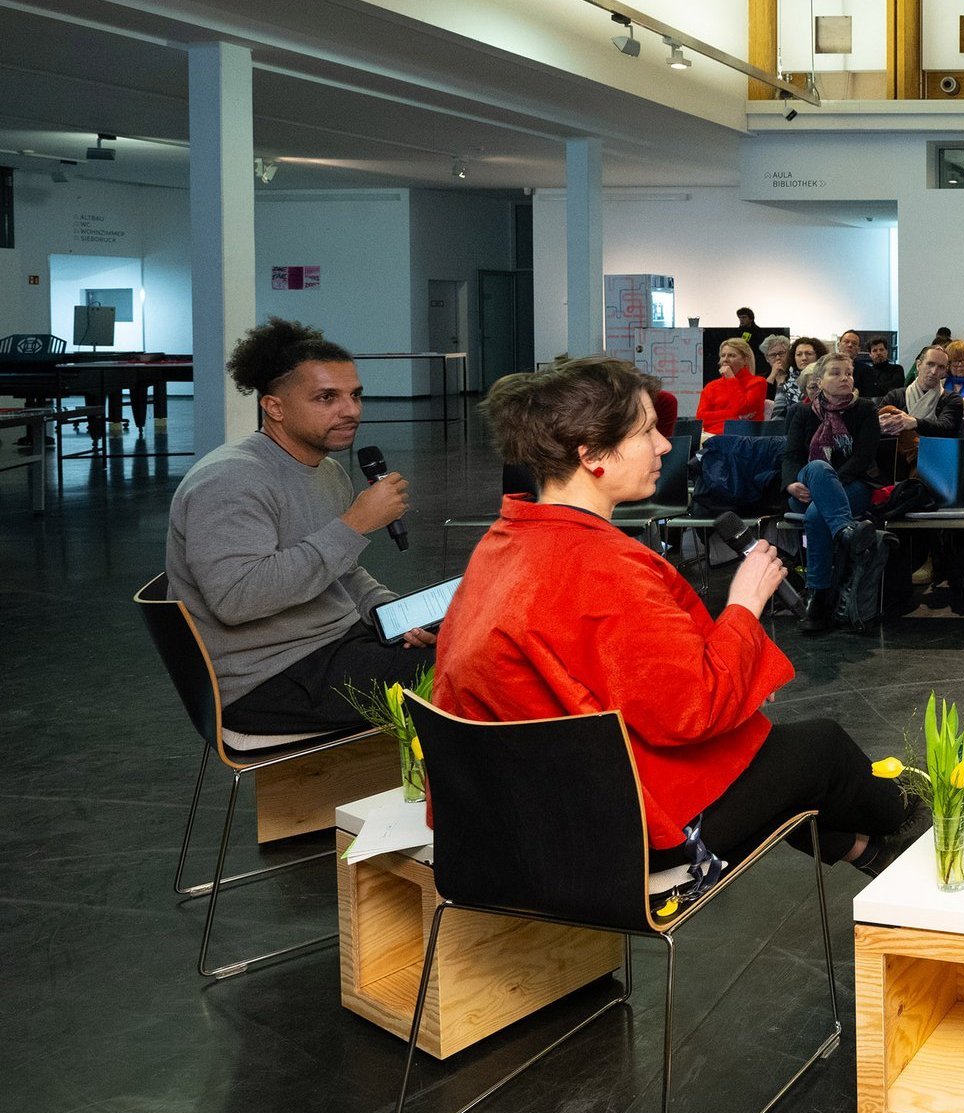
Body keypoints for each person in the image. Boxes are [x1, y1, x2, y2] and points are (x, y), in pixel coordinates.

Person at [436, 356, 914, 895]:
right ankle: (929, 828)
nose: (665, 444)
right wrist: (744, 605)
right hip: (614, 840)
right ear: (591, 455)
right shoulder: (601, 567)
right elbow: (694, 709)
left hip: (518, 823)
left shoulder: (505, 541)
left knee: (772, 754)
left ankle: (868, 849)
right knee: (820, 750)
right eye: (646, 432)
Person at [164, 318, 432, 732]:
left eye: (355, 395)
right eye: (327, 398)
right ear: (274, 407)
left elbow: (341, 571)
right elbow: (236, 600)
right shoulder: (230, 480)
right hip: (268, 678)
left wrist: (390, 613)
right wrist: (354, 524)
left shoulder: (328, 472)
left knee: (473, 644)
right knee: (480, 671)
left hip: (333, 644)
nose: (350, 411)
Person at [785, 352, 914, 634]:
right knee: (817, 467)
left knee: (816, 515)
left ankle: (817, 598)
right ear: (819, 381)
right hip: (805, 488)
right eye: (836, 373)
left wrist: (829, 484)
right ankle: (846, 531)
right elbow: (791, 456)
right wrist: (791, 484)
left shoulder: (865, 409)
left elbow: (863, 458)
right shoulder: (801, 412)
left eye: (848, 373)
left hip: (855, 483)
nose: (845, 378)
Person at [695, 337, 768, 436]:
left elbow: (743, 409)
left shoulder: (758, 382)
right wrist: (736, 415)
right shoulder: (711, 386)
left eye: (731, 355)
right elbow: (701, 418)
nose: (725, 359)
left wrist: (731, 379)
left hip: (743, 437)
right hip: (711, 437)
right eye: (723, 355)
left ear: (745, 360)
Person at [901, 345, 964, 437]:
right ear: (918, 365)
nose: (934, 371)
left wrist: (915, 423)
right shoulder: (896, 396)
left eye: (941, 367)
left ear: (944, 372)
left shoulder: (952, 399)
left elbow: (947, 429)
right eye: (930, 364)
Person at [759, 334, 798, 414]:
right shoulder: (760, 379)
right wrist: (772, 376)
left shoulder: (796, 375)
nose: (778, 358)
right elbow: (760, 400)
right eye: (773, 355)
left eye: (781, 353)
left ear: (788, 354)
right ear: (767, 358)